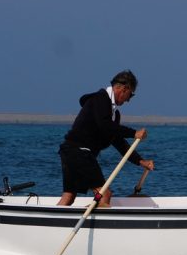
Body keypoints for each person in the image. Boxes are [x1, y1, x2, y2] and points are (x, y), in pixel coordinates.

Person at [57, 70, 154, 206]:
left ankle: (52, 225)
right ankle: (102, 224)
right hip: (78, 152)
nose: (128, 100)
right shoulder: (101, 99)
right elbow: (105, 126)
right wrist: (134, 133)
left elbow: (118, 142)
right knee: (105, 194)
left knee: (69, 196)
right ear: (124, 88)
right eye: (130, 95)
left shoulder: (114, 113)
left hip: (71, 152)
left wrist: (140, 161)